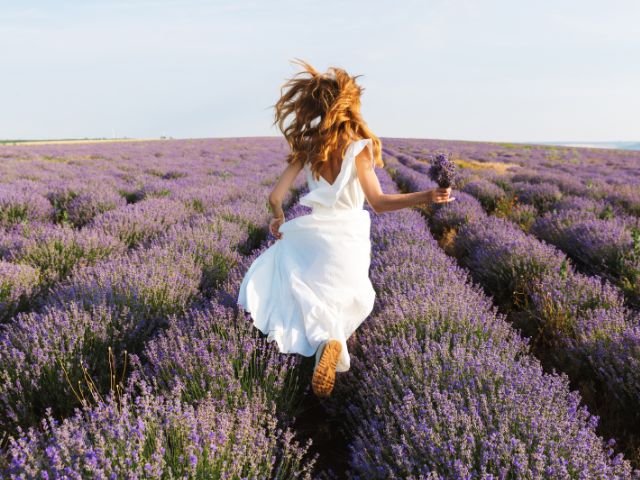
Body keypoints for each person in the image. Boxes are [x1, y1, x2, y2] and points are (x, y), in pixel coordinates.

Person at [238, 59, 453, 398]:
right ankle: (332, 344)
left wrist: (279, 219)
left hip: (312, 235)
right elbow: (379, 202)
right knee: (343, 299)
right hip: (348, 239)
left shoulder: (308, 145)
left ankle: (326, 343)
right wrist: (427, 195)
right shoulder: (359, 148)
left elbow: (275, 195)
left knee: (303, 292)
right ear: (349, 105)